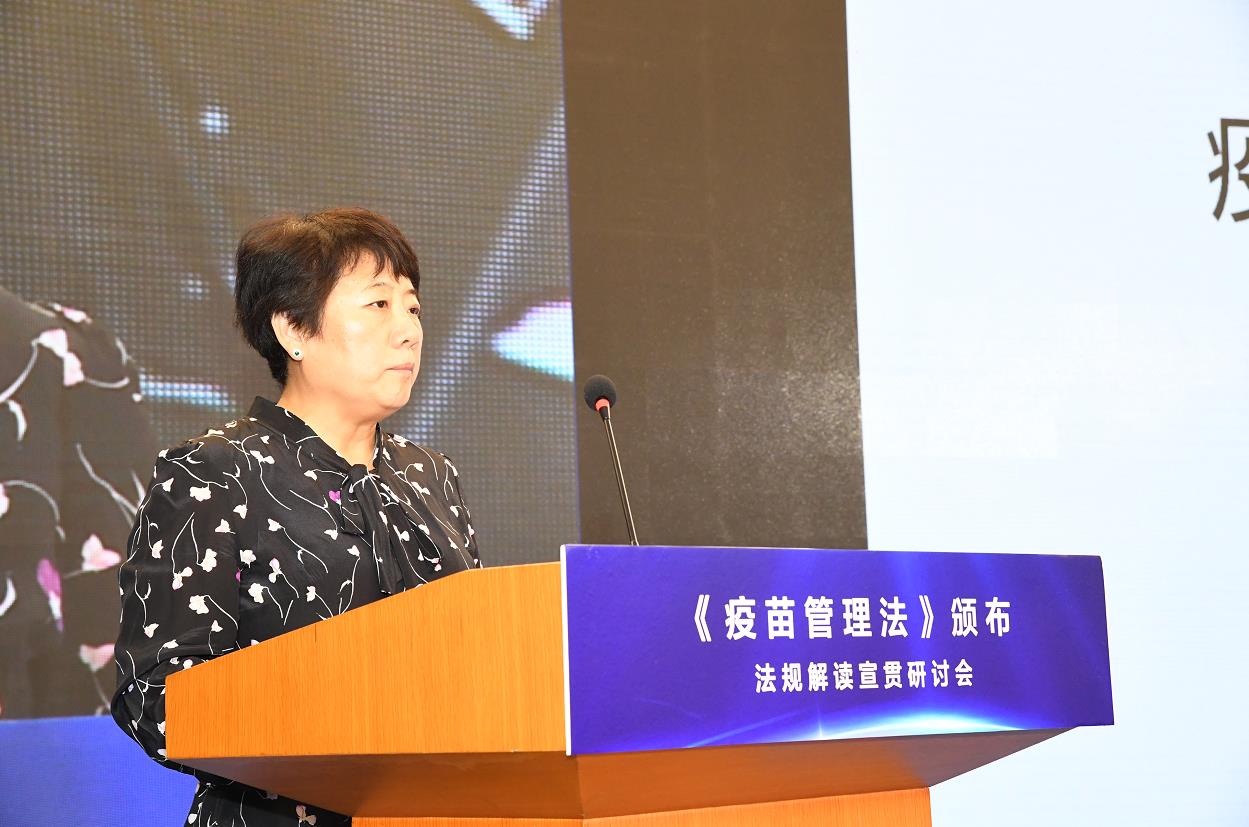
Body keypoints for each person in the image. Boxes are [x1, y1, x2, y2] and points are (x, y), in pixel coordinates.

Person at [110, 208, 481, 826]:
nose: (409, 331)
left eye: (412, 307)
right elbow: (156, 695)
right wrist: (332, 735)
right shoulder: (215, 471)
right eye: (378, 304)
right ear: (292, 330)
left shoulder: (430, 475)